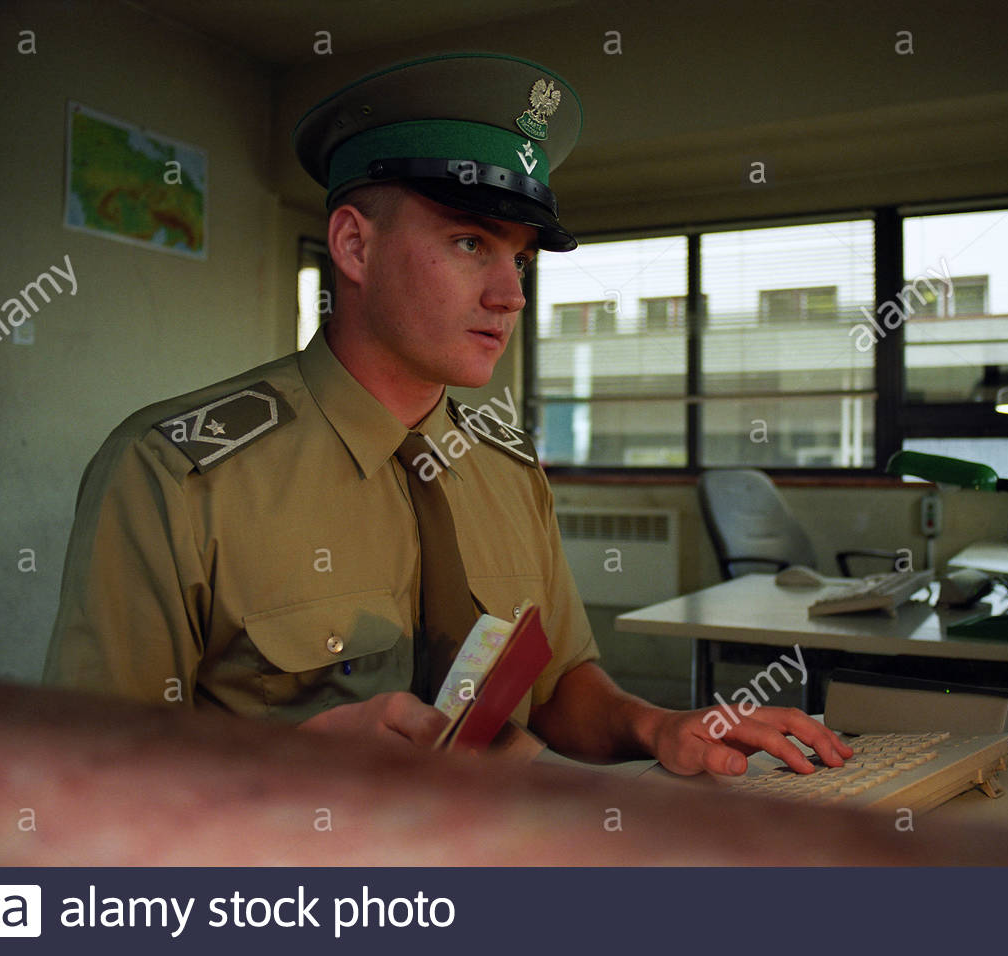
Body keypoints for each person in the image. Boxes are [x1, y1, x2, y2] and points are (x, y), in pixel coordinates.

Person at [44, 52, 851, 777]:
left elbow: (560, 681)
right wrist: (283, 765)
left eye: (520, 259)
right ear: (354, 248)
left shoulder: (504, 466)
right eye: (471, 243)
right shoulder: (177, 473)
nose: (511, 297)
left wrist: (659, 724)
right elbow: (85, 773)